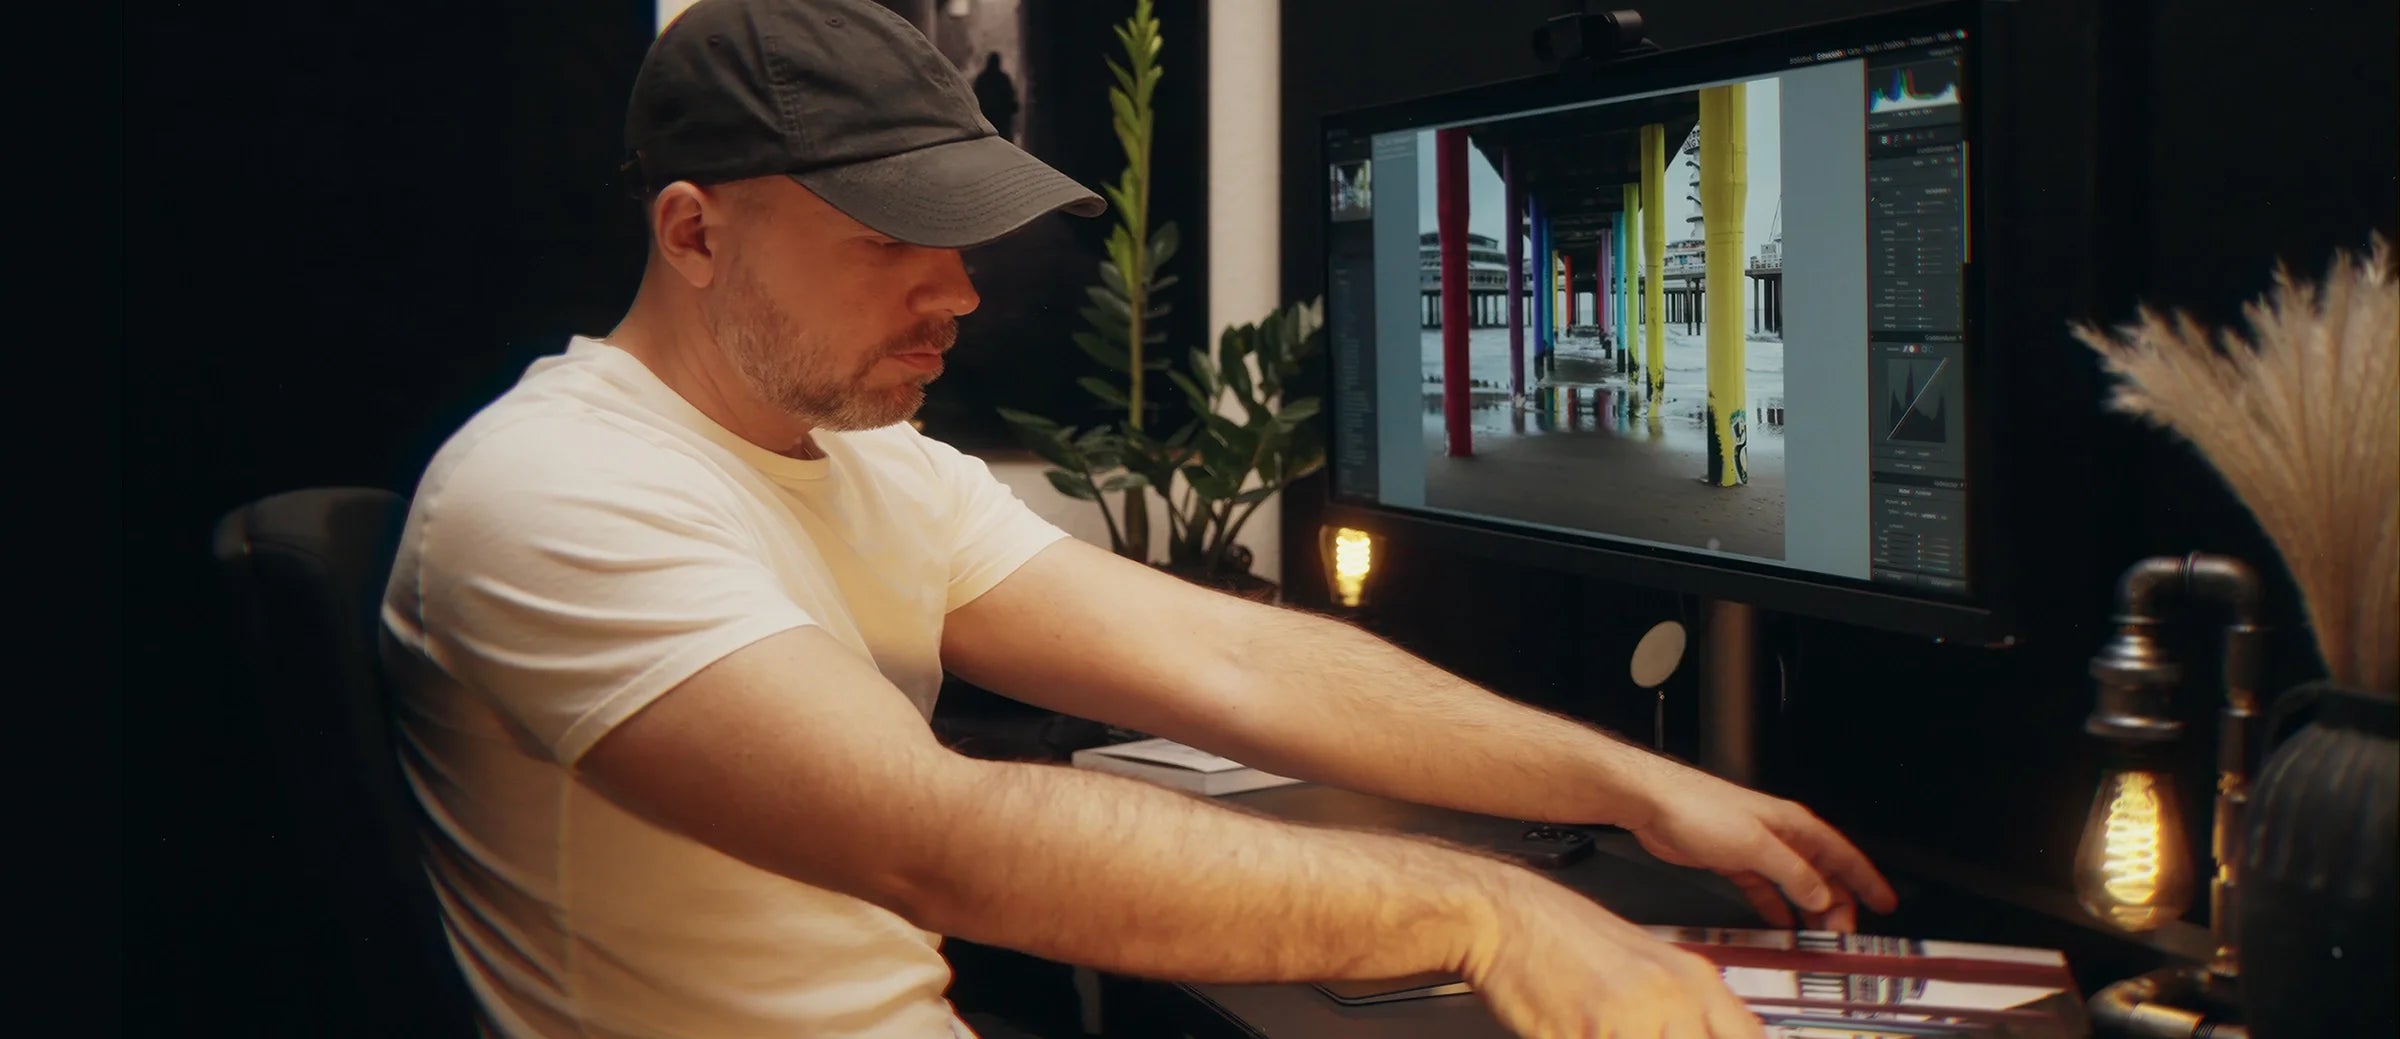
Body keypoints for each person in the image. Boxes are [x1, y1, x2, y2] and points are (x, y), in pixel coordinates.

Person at [380, 1, 1897, 1037]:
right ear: (695, 233)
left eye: (965, 238)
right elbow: (941, 842)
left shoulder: (867, 466)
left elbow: (1233, 663)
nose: (959, 291)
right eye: (892, 240)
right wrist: (1491, 916)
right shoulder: (557, 489)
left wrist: (1626, 782)